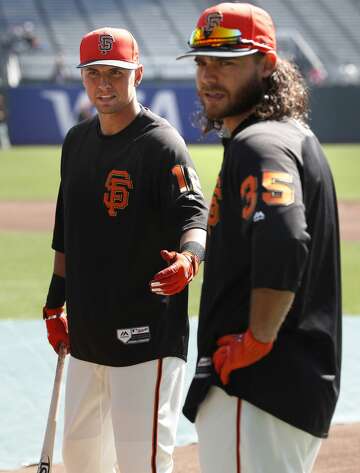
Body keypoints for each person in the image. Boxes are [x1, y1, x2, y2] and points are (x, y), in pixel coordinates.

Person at [177, 3, 342, 473]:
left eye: (227, 62)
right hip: (285, 389)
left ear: (267, 65)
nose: (209, 75)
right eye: (203, 61)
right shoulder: (290, 136)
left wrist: (257, 340)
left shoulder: (260, 142)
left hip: (256, 387)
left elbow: (286, 237)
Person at [42, 27, 208, 473]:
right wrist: (54, 304)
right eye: (93, 73)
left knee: (143, 464)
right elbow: (66, 232)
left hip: (146, 338)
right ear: (82, 77)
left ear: (135, 73)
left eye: (114, 73)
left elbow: (194, 214)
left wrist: (190, 259)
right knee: (81, 462)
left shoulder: (160, 143)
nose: (103, 83)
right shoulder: (76, 141)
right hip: (86, 338)